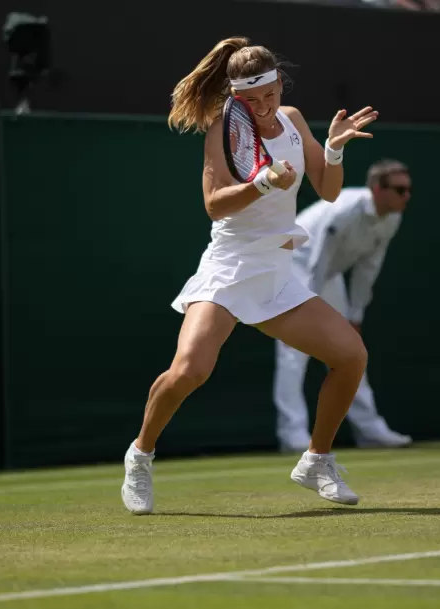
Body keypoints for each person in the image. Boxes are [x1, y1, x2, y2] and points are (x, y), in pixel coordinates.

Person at [121, 37, 379, 514]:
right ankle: (140, 455)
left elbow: (327, 190)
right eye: (252, 100)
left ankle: (317, 460)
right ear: (237, 96)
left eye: (270, 95)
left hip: (278, 271)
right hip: (230, 266)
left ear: (280, 84)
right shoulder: (222, 125)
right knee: (190, 371)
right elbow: (214, 203)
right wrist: (261, 182)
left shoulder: (294, 119)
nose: (263, 108)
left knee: (351, 357)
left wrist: (334, 150)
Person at [274, 160, 414, 452]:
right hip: (294, 266)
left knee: (349, 350)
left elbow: (368, 268)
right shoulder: (347, 210)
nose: (406, 196)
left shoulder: (392, 219)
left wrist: (356, 314)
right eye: (400, 190)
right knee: (294, 352)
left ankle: (371, 431)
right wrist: (308, 306)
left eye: (408, 190)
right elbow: (319, 257)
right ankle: (292, 434)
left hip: (329, 276)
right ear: (377, 189)